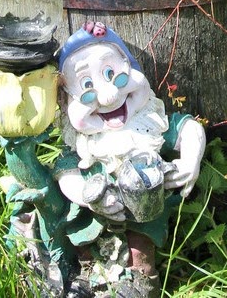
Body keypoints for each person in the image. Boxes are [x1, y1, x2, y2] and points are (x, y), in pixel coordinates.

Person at [56, 22, 206, 298]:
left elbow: (189, 128)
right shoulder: (85, 143)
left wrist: (190, 162)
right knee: (85, 244)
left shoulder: (150, 125)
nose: (108, 95)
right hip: (95, 215)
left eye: (113, 74)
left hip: (143, 213)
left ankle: (140, 286)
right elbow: (66, 173)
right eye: (87, 86)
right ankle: (88, 282)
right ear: (68, 103)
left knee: (140, 250)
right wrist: (88, 195)